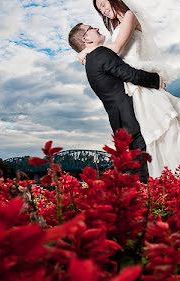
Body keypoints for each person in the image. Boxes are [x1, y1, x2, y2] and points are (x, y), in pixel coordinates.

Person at [78, 0, 180, 178]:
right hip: (131, 85)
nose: (103, 11)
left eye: (103, 4)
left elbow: (116, 49)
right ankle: (164, 180)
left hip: (137, 80)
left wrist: (90, 51)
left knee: (166, 130)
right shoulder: (115, 27)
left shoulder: (129, 16)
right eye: (99, 9)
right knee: (155, 136)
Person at [68, 23, 163, 182]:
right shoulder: (100, 54)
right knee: (145, 173)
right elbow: (130, 74)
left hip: (120, 122)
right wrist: (158, 81)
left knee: (136, 173)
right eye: (91, 28)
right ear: (86, 39)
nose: (97, 28)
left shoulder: (90, 61)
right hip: (133, 118)